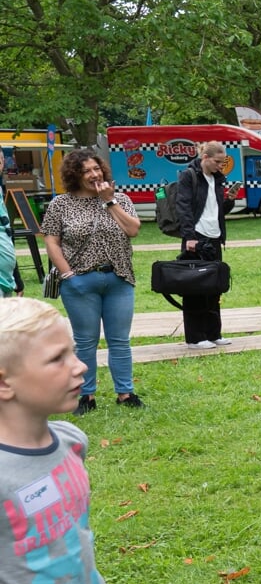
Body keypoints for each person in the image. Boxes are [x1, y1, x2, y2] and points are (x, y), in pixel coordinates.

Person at [0, 298, 112, 584]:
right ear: (4, 383)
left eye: (74, 351)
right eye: (57, 358)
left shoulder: (70, 440)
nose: (81, 366)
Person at [39, 149, 144, 413]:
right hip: (80, 281)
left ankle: (125, 392)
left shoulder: (119, 199)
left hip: (119, 277)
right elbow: (51, 241)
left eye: (96, 169)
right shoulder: (60, 204)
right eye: (86, 171)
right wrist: (67, 274)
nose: (94, 174)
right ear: (75, 175)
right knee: (85, 341)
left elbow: (132, 229)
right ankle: (86, 396)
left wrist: (109, 202)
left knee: (119, 340)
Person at [175, 141, 231, 350]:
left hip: (214, 237)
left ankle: (213, 333)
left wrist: (230, 200)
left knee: (214, 287)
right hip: (196, 237)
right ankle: (195, 337)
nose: (220, 165)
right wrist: (189, 236)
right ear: (205, 158)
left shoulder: (217, 179)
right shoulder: (188, 176)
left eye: (222, 162)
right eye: (217, 161)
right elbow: (184, 207)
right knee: (195, 288)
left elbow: (217, 209)